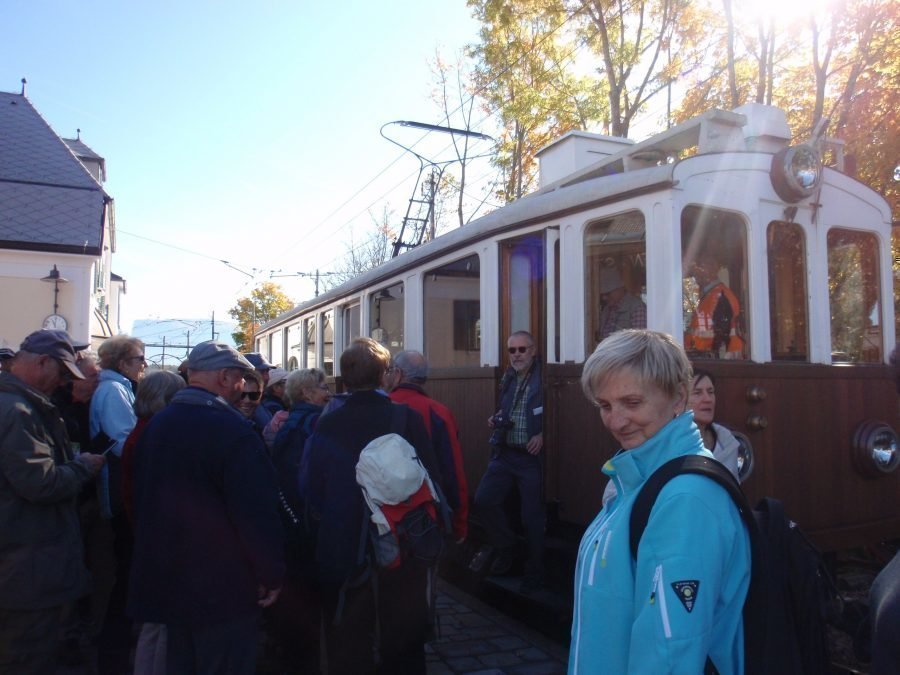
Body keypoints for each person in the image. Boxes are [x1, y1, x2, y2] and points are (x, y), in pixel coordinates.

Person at [569, 329, 751, 674]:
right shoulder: (639, 478)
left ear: (679, 398)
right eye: (605, 406)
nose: (616, 421)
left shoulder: (686, 499)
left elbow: (671, 654)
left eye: (632, 403)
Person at [128, 341, 284, 674]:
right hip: (223, 588)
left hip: (169, 583)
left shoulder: (158, 425)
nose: (243, 388)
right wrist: (270, 572)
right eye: (241, 379)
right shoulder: (232, 431)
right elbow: (255, 512)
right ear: (225, 378)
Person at [300, 337, 442, 674]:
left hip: (345, 544)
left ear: (344, 379)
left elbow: (311, 486)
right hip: (401, 541)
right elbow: (431, 479)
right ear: (385, 376)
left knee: (350, 638)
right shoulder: (405, 418)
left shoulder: (328, 423)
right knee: (403, 635)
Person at [0, 329, 105, 674]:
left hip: (22, 563)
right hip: (25, 568)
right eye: (61, 373)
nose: (62, 383)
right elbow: (41, 483)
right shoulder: (19, 411)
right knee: (25, 657)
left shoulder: (18, 405)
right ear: (42, 363)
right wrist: (82, 467)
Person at [120, 369, 185, 675]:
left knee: (154, 625)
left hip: (147, 534)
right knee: (159, 626)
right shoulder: (153, 434)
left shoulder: (143, 430)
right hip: (156, 538)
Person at [266, 368, 331, 673]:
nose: (327, 391)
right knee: (307, 595)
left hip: (287, 519)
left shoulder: (288, 421)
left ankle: (289, 651)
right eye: (322, 387)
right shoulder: (314, 423)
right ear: (306, 393)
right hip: (305, 521)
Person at [471, 330, 545, 592]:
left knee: (531, 516)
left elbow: (555, 412)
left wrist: (543, 433)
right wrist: (497, 418)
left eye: (522, 349)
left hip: (528, 458)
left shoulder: (543, 377)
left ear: (533, 350)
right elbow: (508, 407)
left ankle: (534, 572)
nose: (516, 355)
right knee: (483, 500)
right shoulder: (509, 376)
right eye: (512, 350)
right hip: (504, 452)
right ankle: (507, 547)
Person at [388, 350, 469, 542]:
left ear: (398, 373)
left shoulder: (383, 406)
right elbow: (453, 471)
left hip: (384, 513)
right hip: (425, 514)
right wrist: (459, 523)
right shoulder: (439, 412)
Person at [685, 250, 744, 358]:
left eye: (700, 266)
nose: (695, 271)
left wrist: (712, 360)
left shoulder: (722, 297)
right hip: (708, 359)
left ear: (713, 268)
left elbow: (721, 335)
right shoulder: (707, 294)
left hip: (720, 362)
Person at [597, 268, 646, 341]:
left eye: (608, 294)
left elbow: (639, 341)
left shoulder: (637, 308)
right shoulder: (607, 309)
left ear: (620, 289)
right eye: (602, 295)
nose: (604, 298)